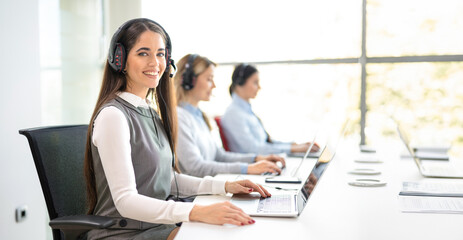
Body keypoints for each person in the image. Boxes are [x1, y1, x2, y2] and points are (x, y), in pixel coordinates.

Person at [83, 18, 271, 240]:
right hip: (122, 233)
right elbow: (126, 201)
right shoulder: (113, 116)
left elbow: (169, 180)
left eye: (161, 54)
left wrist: (226, 186)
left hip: (155, 225)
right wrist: (196, 212)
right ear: (120, 60)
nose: (155, 62)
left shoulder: (150, 113)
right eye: (143, 53)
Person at [173, 54, 285, 178]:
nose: (214, 85)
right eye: (209, 79)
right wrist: (247, 168)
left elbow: (219, 156)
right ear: (189, 80)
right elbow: (196, 168)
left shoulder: (198, 116)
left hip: (211, 187)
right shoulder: (179, 117)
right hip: (197, 194)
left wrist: (256, 159)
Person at [221, 63, 320, 155]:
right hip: (254, 166)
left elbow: (267, 142)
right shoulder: (233, 114)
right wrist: (293, 149)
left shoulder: (246, 111)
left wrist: (294, 145)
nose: (259, 87)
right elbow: (253, 149)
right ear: (240, 83)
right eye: (255, 82)